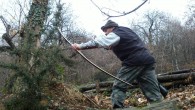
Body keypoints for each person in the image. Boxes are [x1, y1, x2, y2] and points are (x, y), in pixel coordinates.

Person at [72, 20, 163, 108]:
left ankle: (117, 106)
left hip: (134, 61)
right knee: (151, 87)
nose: (105, 33)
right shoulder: (126, 30)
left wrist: (80, 46)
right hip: (147, 59)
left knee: (119, 85)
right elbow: (126, 43)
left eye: (106, 30)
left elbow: (99, 42)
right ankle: (160, 106)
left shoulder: (116, 33)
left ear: (111, 28)